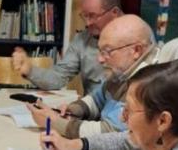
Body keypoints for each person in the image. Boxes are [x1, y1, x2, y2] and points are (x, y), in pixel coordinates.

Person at [57, 37, 178, 150]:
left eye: (162, 66)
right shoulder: (172, 133)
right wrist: (78, 145)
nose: (123, 118)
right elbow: (128, 140)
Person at [28, 15, 158, 138]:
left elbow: (111, 134)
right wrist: (72, 110)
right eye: (100, 51)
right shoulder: (124, 70)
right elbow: (97, 99)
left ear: (136, 51)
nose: (100, 59)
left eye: (107, 51)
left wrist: (56, 123)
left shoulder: (150, 83)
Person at [41, 60, 178, 150]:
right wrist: (71, 145)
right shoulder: (161, 140)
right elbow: (124, 141)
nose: (122, 118)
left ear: (162, 121)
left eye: (128, 111)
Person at [12, 0, 123, 94]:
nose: (87, 23)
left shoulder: (136, 38)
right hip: (89, 109)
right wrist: (30, 70)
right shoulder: (82, 40)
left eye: (93, 16)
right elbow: (58, 77)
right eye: (85, 16)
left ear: (114, 13)